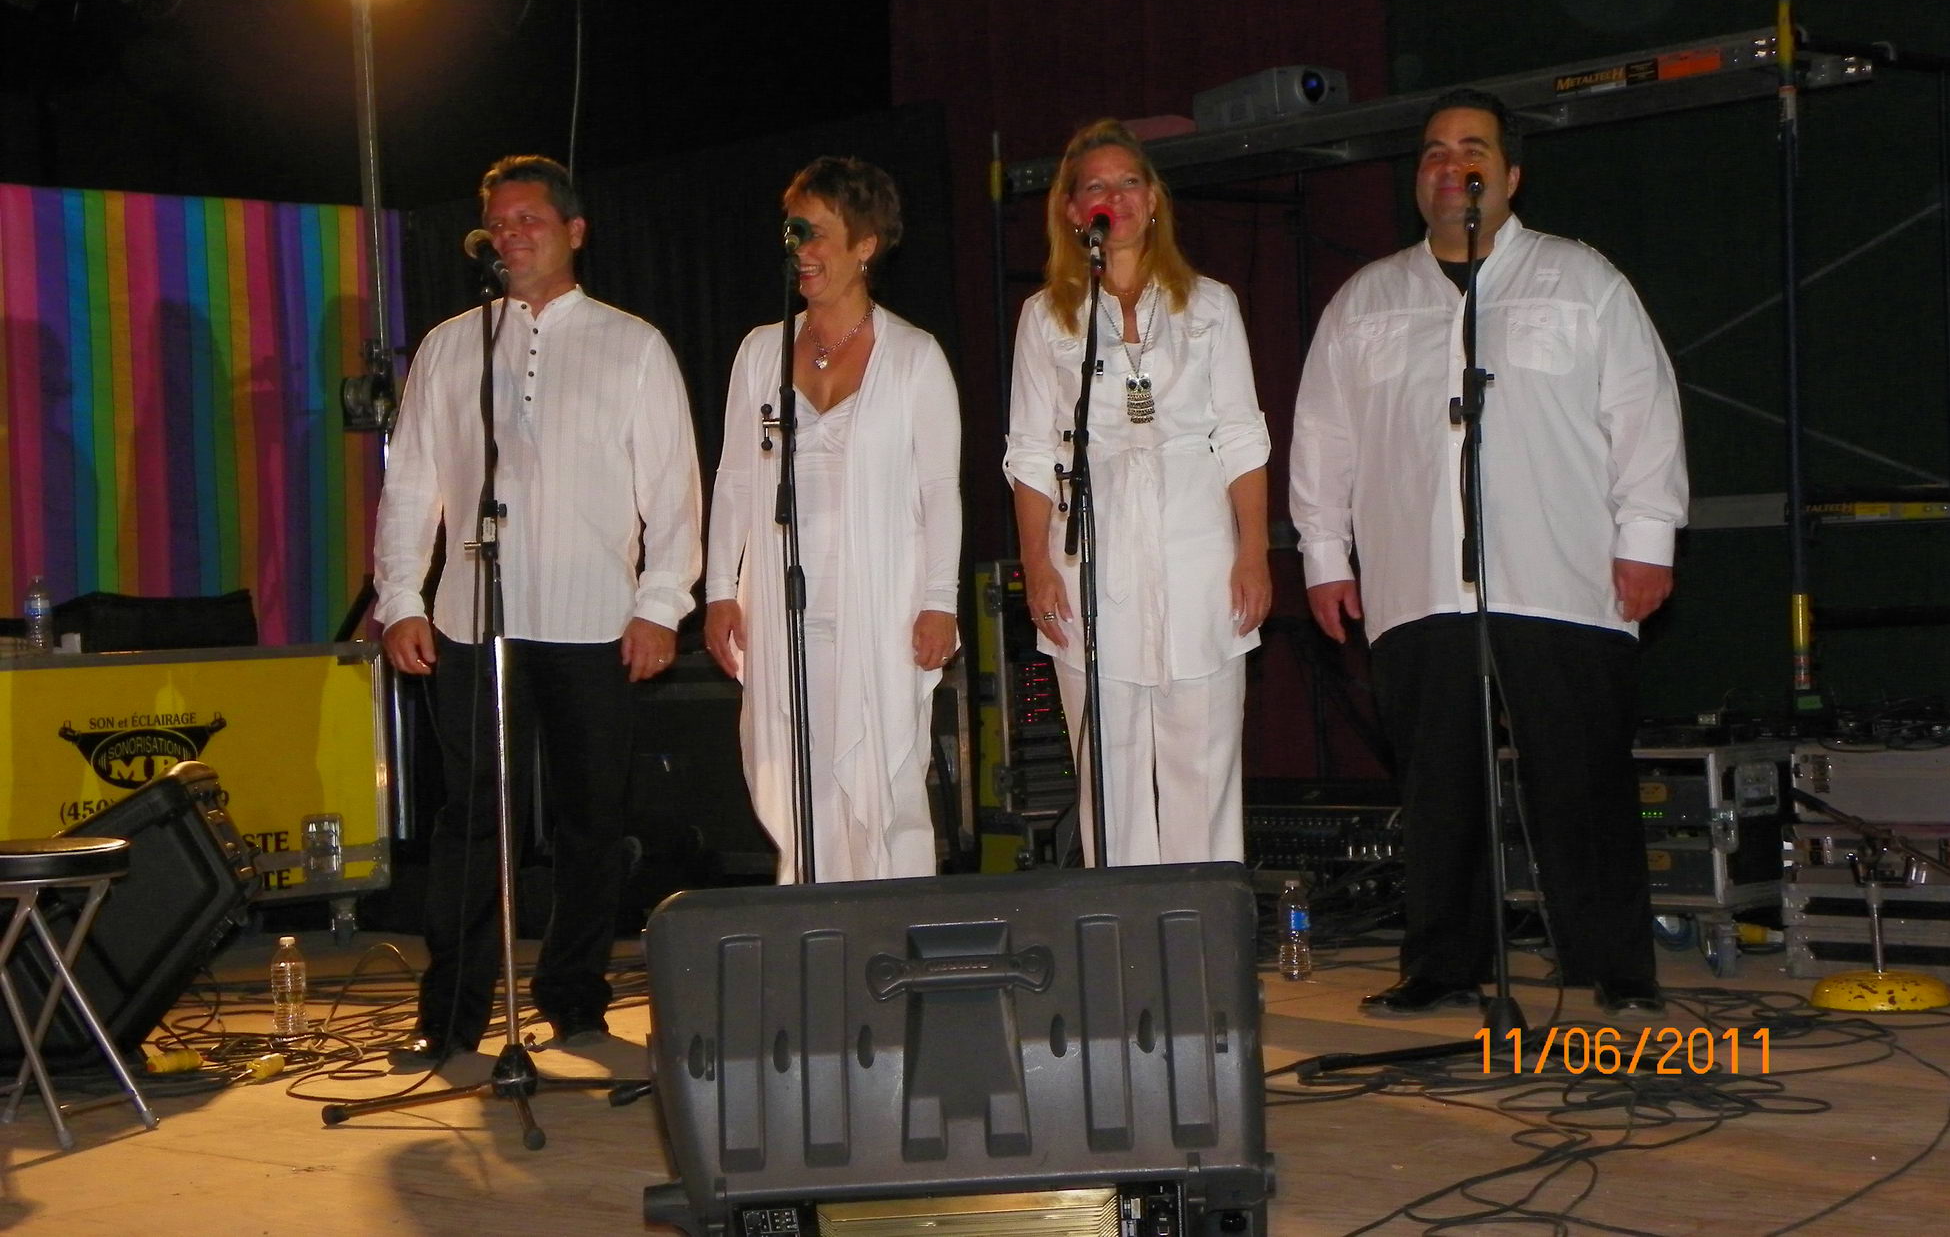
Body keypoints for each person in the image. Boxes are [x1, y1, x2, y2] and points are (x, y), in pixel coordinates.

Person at [1291, 88, 1687, 1018]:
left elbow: (1643, 413)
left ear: (1510, 174)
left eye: (1472, 149)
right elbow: (1323, 437)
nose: (1450, 164)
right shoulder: (1367, 300)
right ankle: (1442, 963)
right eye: (1434, 151)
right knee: (1438, 784)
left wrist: (1648, 538)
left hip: (1562, 576)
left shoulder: (1581, 280)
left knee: (1580, 776)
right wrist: (1324, 555)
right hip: (1417, 581)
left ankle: (1613, 966)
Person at [374, 154, 702, 1064]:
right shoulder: (450, 346)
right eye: (501, 222)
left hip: (596, 618)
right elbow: (413, 486)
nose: (513, 235)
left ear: (574, 232)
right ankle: (454, 1013)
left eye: (531, 220)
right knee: (473, 819)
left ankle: (575, 998)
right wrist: (401, 597)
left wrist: (661, 604)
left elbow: (673, 489)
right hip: (473, 619)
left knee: (591, 820)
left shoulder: (632, 344)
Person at [1005, 118, 1271, 867]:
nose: (1114, 198)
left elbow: (1241, 435)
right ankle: (1120, 925)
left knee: (1203, 764)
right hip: (1094, 561)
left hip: (1198, 556)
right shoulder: (1045, 317)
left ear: (1153, 200)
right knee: (1109, 775)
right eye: (1096, 187)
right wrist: (1037, 562)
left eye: (1129, 183)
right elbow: (1030, 451)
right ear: (1072, 210)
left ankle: (1202, 921)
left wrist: (1253, 551)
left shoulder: (1210, 305)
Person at [703, 157, 960, 883]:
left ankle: (891, 924)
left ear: (865, 244)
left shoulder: (913, 357)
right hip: (782, 605)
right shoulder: (760, 351)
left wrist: (940, 601)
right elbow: (732, 478)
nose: (801, 249)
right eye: (794, 232)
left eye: (816, 232)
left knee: (883, 780)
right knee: (793, 770)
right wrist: (720, 588)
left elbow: (941, 489)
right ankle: (811, 918)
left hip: (879, 604)